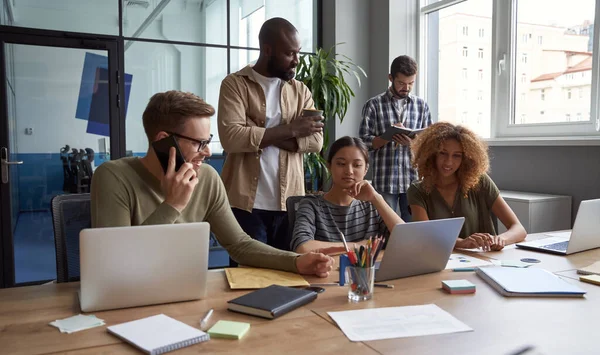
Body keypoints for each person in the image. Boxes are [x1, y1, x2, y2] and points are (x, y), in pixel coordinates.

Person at [90, 91, 334, 277]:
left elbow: (239, 244)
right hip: (129, 299)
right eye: (199, 143)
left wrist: (295, 262)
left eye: (208, 141)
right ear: (164, 141)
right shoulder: (113, 177)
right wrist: (172, 205)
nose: (207, 152)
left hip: (189, 297)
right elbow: (117, 264)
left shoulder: (206, 178)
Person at [217, 17, 323, 254]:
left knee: (288, 277)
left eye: (298, 53)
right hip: (245, 204)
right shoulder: (235, 85)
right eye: (289, 53)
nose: (296, 61)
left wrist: (255, 132)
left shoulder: (300, 90)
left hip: (290, 203)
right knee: (249, 278)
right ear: (267, 50)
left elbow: (315, 142)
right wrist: (293, 129)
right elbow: (232, 138)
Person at [407, 122, 527, 251]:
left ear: (465, 158)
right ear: (431, 154)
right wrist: (462, 243)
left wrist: (501, 239)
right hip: (441, 262)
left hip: (485, 259)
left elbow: (518, 228)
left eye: (456, 155)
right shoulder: (417, 191)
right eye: (443, 153)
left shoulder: (480, 181)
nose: (448, 162)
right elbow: (425, 236)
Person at [291, 136, 404, 253]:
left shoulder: (373, 204)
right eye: (341, 164)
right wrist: (358, 246)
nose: (349, 171)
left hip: (369, 271)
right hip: (326, 270)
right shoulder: (311, 205)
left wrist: (376, 198)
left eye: (357, 165)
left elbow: (406, 239)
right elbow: (302, 247)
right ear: (329, 166)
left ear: (366, 169)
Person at [359, 55, 432, 222]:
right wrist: (387, 137)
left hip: (413, 180)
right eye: (401, 83)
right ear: (390, 78)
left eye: (410, 83)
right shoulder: (373, 105)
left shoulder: (422, 106)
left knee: (414, 230)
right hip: (385, 180)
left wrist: (413, 143)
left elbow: (429, 142)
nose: (406, 87)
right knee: (384, 227)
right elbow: (363, 143)